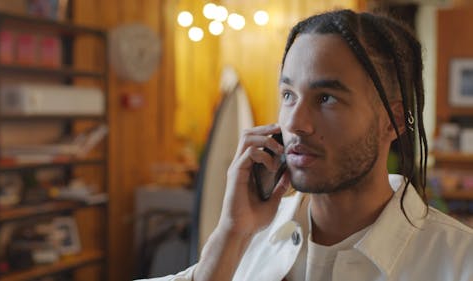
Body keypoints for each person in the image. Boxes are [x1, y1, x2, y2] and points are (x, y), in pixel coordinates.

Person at [139, 9, 473, 281]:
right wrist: (230, 234)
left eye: (326, 98)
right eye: (288, 95)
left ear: (394, 121)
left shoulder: (460, 261)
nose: (295, 123)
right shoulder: (248, 238)